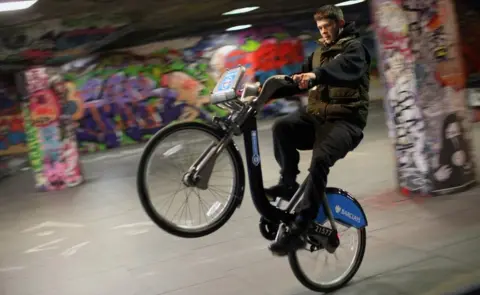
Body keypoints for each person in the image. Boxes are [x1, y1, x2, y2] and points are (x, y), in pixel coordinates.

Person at [266, 5, 371, 256]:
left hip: (346, 122)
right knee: (282, 127)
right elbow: (296, 80)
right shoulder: (317, 54)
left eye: (327, 26)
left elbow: (340, 69)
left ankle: (301, 227)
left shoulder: (355, 50)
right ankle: (288, 183)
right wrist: (263, 92)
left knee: (321, 159)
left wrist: (316, 75)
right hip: (316, 118)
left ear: (340, 24)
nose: (323, 32)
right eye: (320, 28)